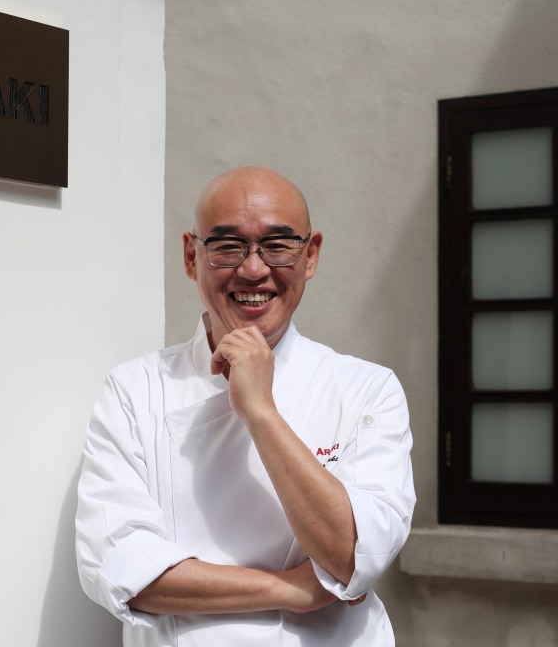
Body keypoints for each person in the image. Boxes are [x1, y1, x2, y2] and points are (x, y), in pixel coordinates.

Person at [75, 166, 416, 646]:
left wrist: (261, 411)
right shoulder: (135, 389)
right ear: (192, 257)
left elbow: (356, 556)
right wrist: (292, 590)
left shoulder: (366, 388)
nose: (253, 269)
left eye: (277, 246)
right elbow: (119, 566)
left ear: (310, 255)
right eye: (228, 246)